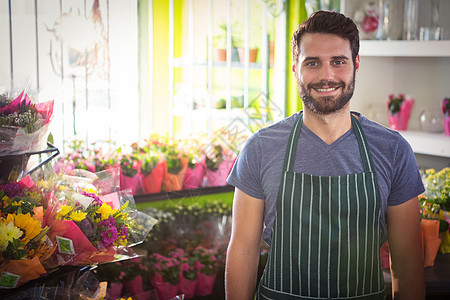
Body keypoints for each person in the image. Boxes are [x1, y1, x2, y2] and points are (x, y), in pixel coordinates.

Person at [225, 10, 425, 300]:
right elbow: (243, 249)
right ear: (296, 68)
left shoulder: (393, 150)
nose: (327, 75)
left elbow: (406, 262)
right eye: (313, 63)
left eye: (338, 62)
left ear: (356, 65)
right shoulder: (261, 147)